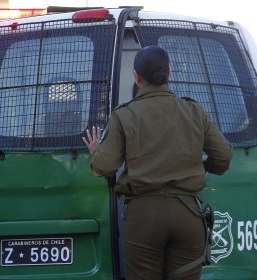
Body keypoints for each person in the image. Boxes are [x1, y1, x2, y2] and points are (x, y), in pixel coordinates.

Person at [82, 46, 233, 280]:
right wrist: (200, 165)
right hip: (188, 216)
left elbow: (105, 166)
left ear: (136, 76)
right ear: (169, 73)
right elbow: (223, 157)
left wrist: (96, 152)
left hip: (144, 219)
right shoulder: (193, 110)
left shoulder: (125, 115)